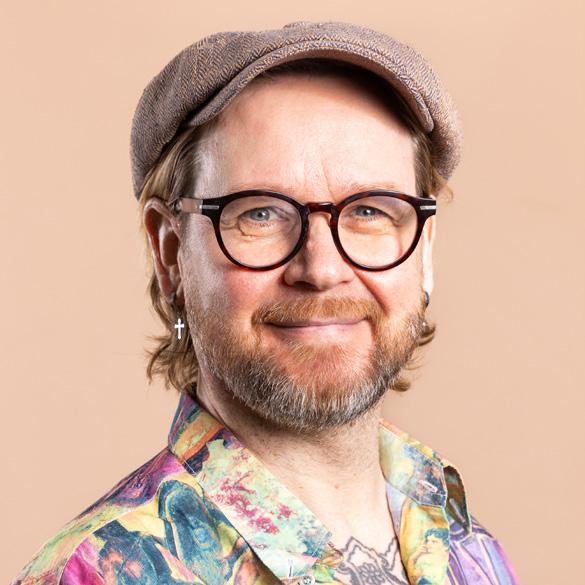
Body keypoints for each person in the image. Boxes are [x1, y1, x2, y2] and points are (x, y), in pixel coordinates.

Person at [12, 21, 520, 585]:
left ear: (424, 250)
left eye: (370, 211)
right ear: (170, 252)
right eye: (260, 213)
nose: (322, 270)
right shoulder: (101, 573)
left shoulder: (464, 547)